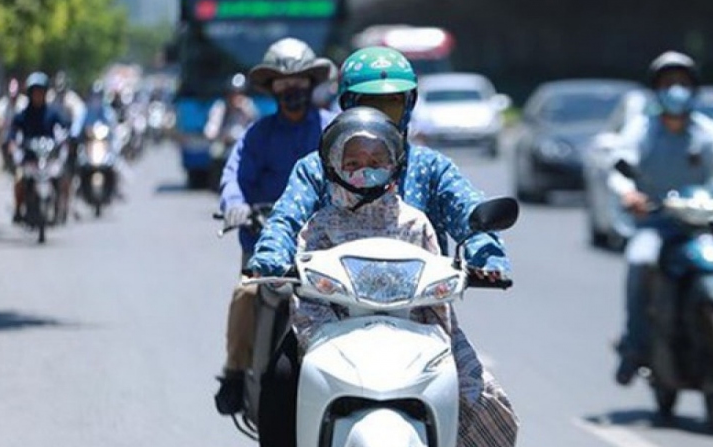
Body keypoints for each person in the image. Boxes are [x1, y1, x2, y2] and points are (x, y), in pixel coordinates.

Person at [248, 46, 518, 447]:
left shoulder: (431, 169)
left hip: (419, 315)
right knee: (280, 383)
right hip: (331, 315)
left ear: (409, 106)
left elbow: (468, 210)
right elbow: (286, 218)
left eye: (392, 105)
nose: (381, 119)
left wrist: (486, 252)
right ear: (347, 107)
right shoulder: (317, 167)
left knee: (479, 394)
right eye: (370, 105)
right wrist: (272, 252)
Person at [214, 37, 334, 414]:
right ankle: (235, 373)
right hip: (264, 247)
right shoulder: (257, 134)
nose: (292, 90)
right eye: (283, 84)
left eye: (298, 82)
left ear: (311, 85)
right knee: (246, 294)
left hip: (325, 248)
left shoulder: (333, 130)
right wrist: (236, 206)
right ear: (272, 89)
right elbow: (233, 178)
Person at [610, 51, 713, 385]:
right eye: (668, 83)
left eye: (682, 82)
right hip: (656, 222)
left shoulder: (707, 130)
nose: (676, 90)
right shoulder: (642, 129)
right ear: (656, 89)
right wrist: (628, 193)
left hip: (701, 224)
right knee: (640, 260)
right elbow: (620, 166)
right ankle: (635, 346)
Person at [4, 72, 72, 224]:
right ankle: (18, 209)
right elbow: (12, 132)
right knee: (19, 179)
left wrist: (67, 138)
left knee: (62, 176)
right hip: (30, 159)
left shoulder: (53, 113)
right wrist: (12, 145)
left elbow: (65, 126)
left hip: (49, 158)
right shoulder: (23, 115)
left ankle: (62, 207)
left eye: (40, 92)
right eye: (35, 92)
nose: (38, 95)